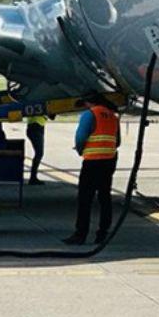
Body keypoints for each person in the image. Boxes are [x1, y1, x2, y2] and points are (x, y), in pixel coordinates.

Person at [63, 97, 120, 245]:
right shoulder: (113, 116)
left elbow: (81, 137)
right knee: (104, 197)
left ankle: (80, 234)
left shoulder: (90, 114)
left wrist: (81, 150)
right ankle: (102, 234)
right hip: (109, 160)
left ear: (89, 103)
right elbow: (117, 141)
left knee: (85, 199)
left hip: (93, 161)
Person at [25, 115, 47, 185]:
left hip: (36, 127)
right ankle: (33, 178)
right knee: (39, 153)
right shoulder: (43, 105)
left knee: (39, 153)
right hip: (36, 127)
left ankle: (33, 177)